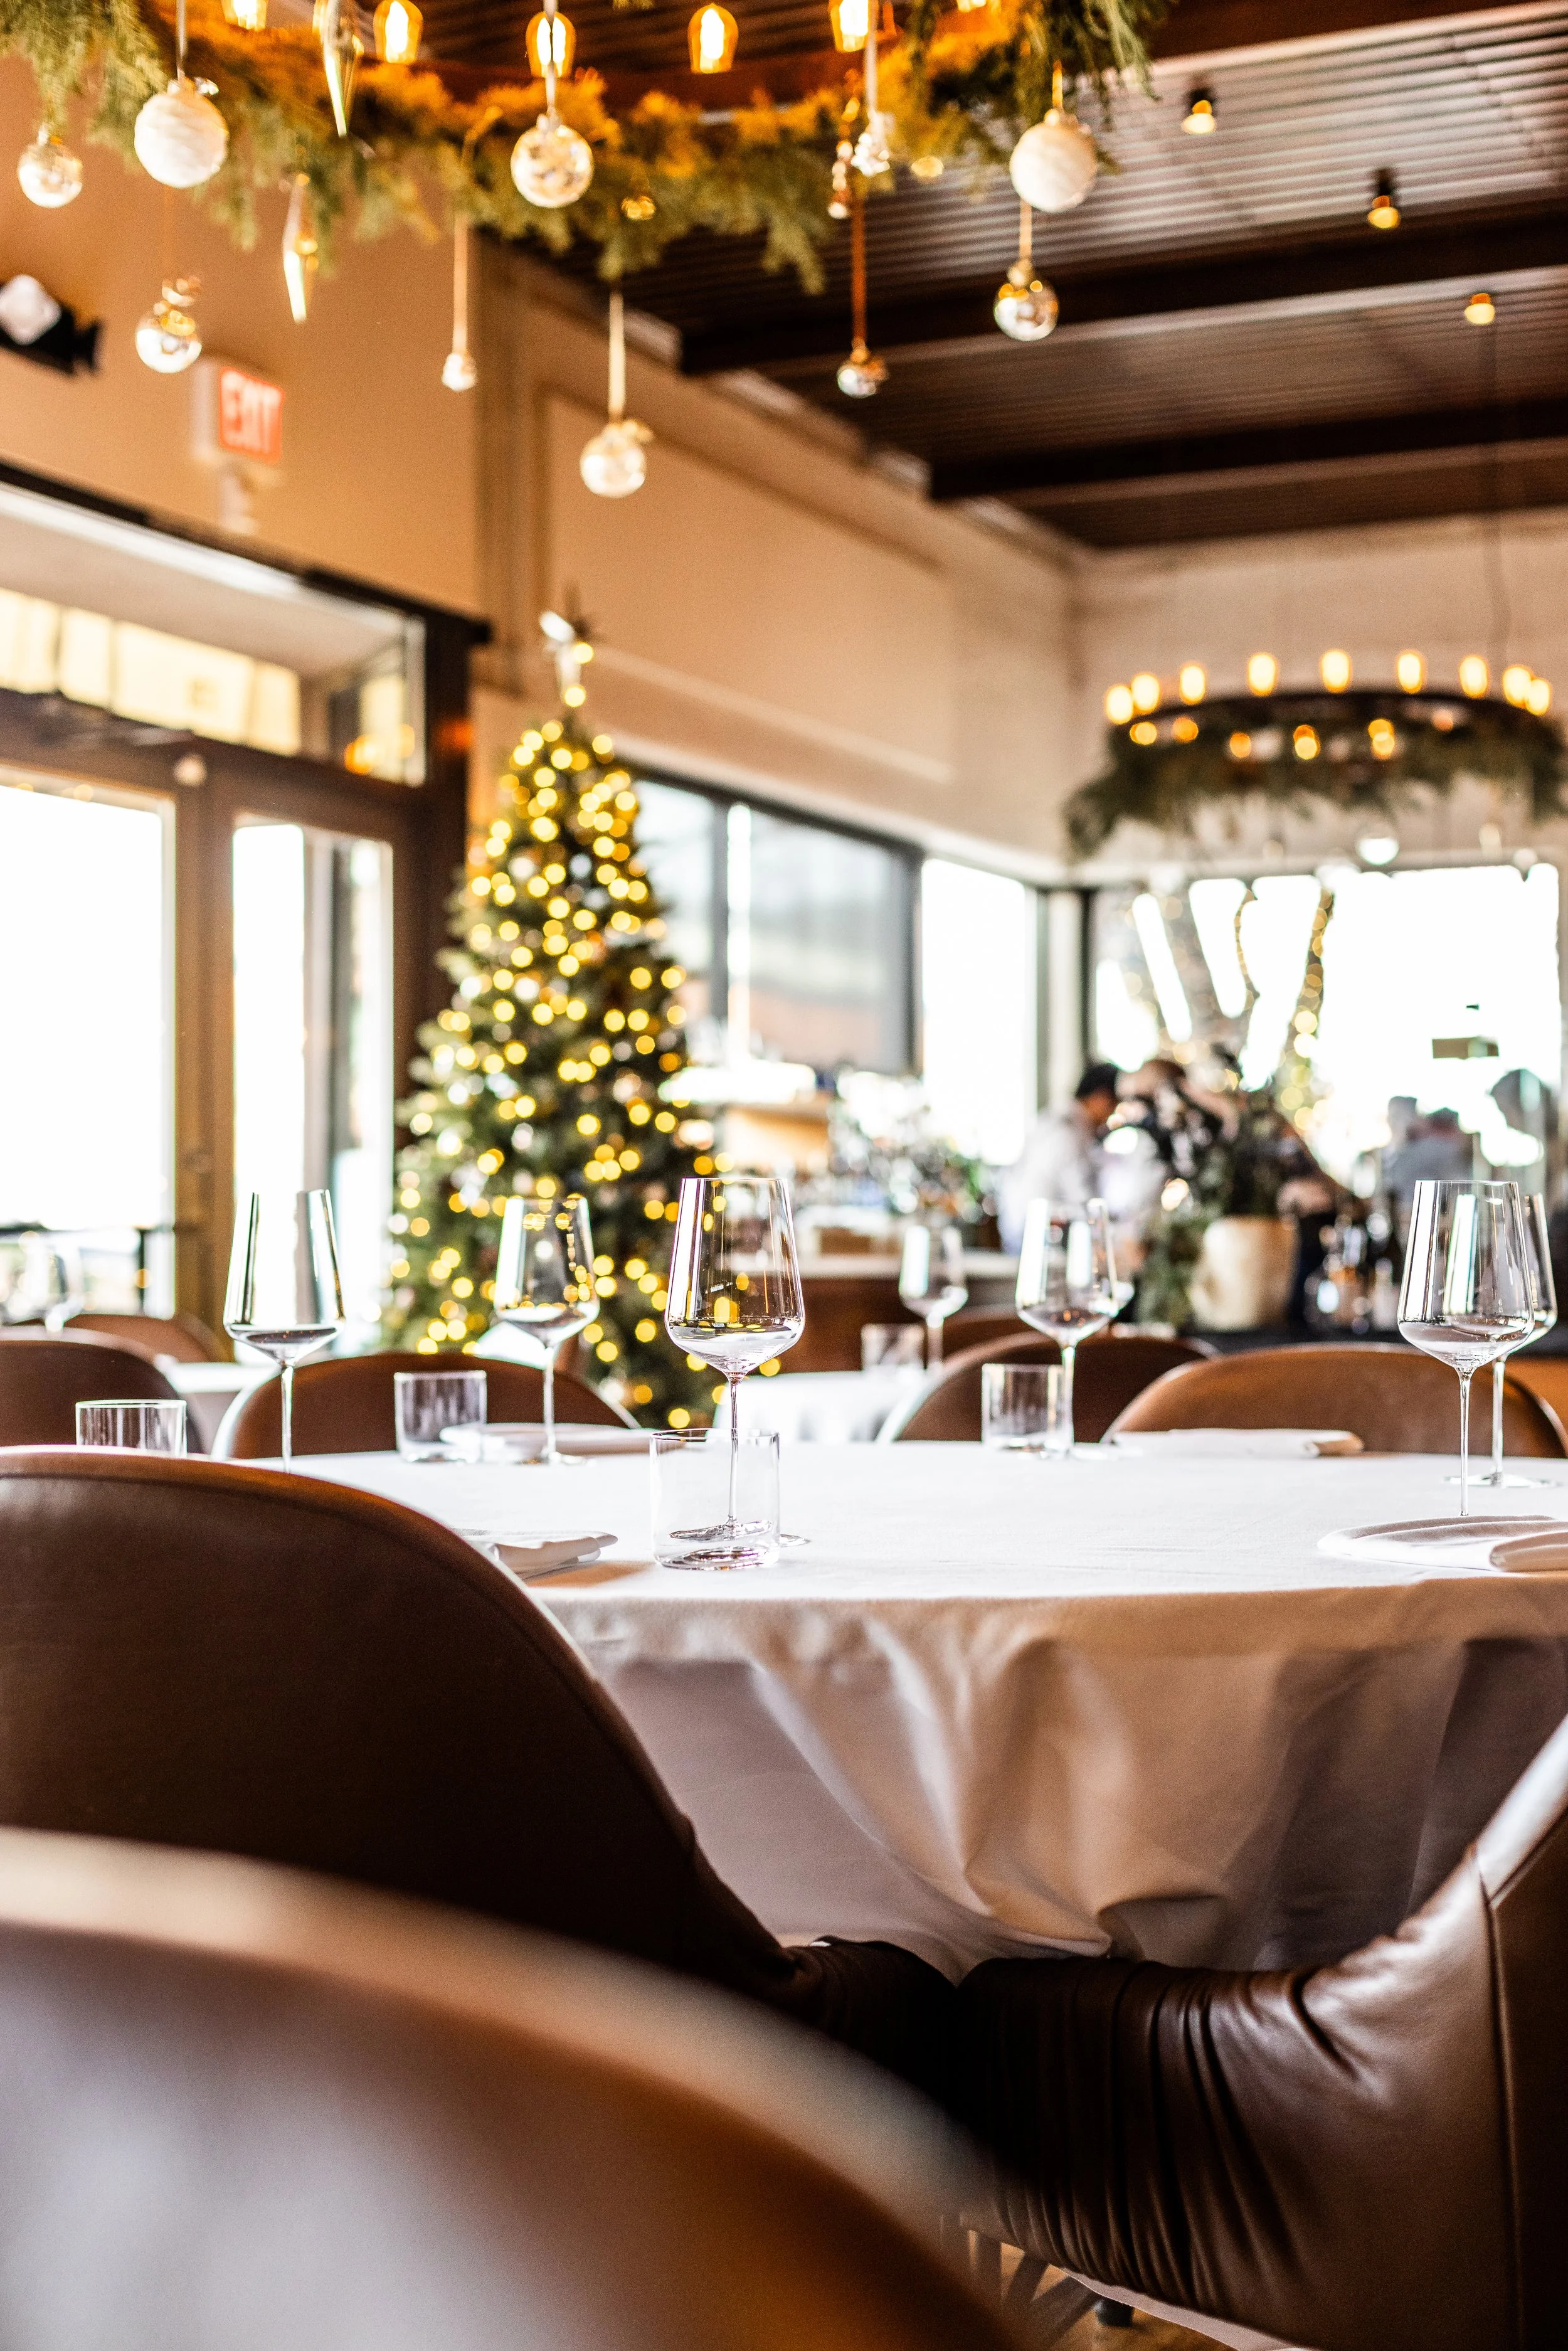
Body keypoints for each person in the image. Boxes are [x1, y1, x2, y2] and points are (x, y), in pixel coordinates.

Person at [998, 1064, 1121, 1250]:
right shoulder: (1069, 1133)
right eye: (1115, 1105)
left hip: (1020, 1227)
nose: (1113, 1115)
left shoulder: (1053, 1119)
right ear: (1101, 1098)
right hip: (1039, 1237)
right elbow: (1084, 1201)